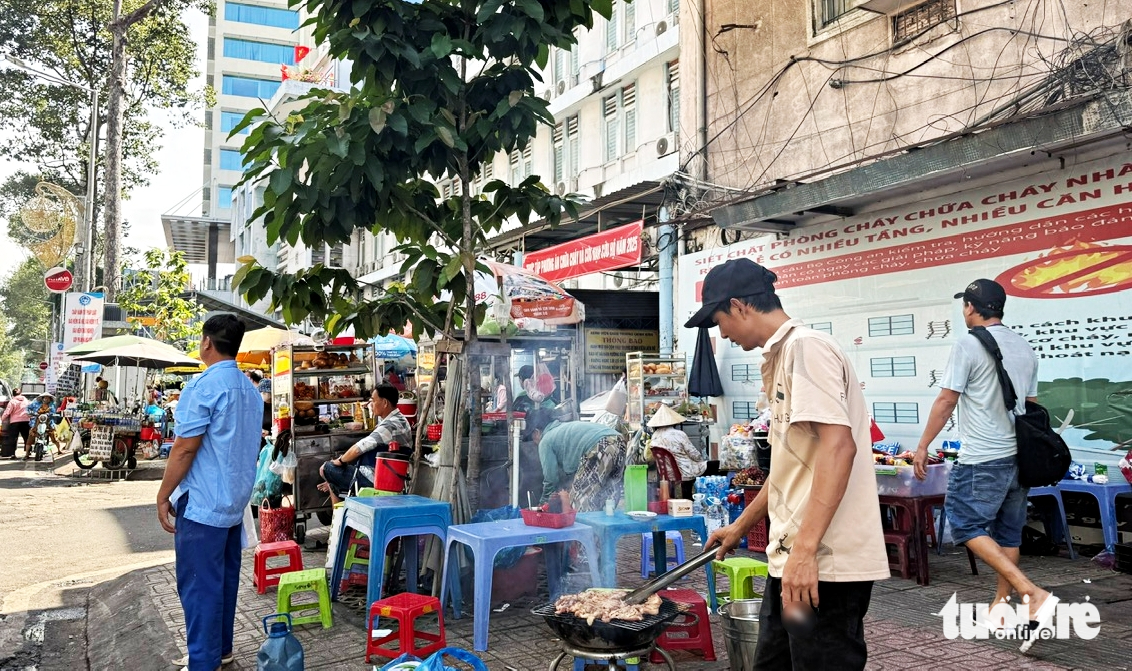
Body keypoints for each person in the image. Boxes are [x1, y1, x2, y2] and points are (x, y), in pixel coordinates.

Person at [687, 258, 888, 670]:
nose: (722, 333)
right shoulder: (781, 357)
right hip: (794, 558)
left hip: (824, 564)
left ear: (739, 306)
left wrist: (806, 551)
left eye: (720, 321)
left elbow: (840, 448)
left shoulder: (806, 348)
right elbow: (789, 469)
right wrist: (741, 527)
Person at [913, 279, 1056, 642]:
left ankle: (1030, 592)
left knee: (964, 524)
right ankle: (1000, 606)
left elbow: (947, 400)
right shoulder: (1024, 346)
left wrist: (923, 445)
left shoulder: (968, 343)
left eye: (965, 305)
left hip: (983, 457)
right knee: (1008, 533)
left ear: (971, 307)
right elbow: (1031, 406)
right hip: (1019, 457)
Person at [155, 314, 262, 671]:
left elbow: (185, 448)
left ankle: (204, 661)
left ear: (206, 343)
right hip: (234, 501)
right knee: (224, 581)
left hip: (203, 503)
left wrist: (163, 494)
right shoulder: (250, 390)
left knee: (200, 586)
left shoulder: (203, 386)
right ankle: (221, 650)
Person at [318, 384, 412, 503]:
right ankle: (334, 488)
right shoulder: (401, 420)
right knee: (333, 481)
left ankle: (337, 512)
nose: (370, 404)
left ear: (385, 403)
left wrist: (339, 461)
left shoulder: (390, 425)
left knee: (326, 468)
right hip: (393, 478)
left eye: (373, 400)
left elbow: (358, 448)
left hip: (376, 480)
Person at [525, 408, 627, 512]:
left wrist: (543, 504)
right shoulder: (563, 429)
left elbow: (551, 479)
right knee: (608, 501)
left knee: (579, 504)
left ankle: (585, 522)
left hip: (600, 445)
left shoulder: (545, 441)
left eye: (532, 437)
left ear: (536, 432)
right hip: (619, 441)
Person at [647, 405, 706, 498]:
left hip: (666, 472)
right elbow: (694, 454)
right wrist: (702, 460)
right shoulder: (679, 434)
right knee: (712, 465)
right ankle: (695, 497)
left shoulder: (654, 436)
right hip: (683, 471)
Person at [1, 389, 30, 459]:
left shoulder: (12, 401)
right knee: (26, 437)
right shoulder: (26, 401)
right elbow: (29, 409)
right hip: (26, 421)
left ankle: (12, 454)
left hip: (15, 422)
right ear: (21, 393)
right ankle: (28, 452)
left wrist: (2, 418)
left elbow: (7, 412)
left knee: (13, 438)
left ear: (13, 394)